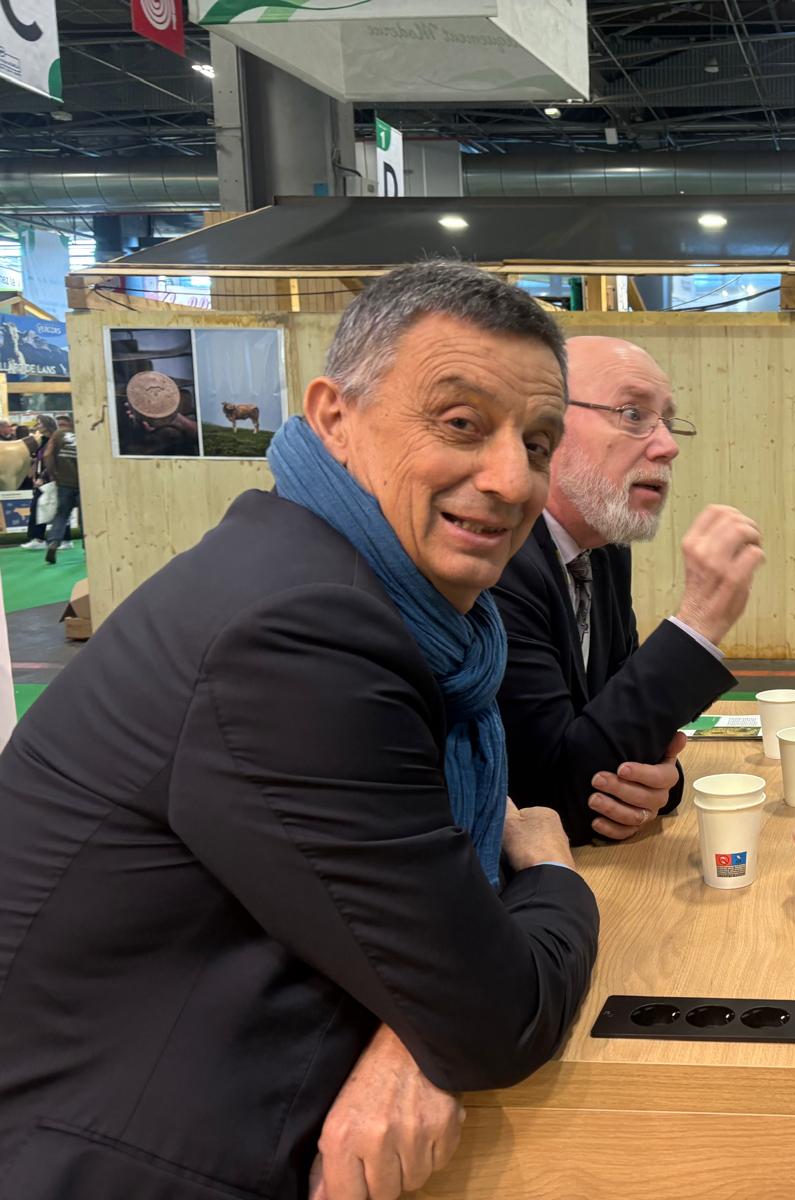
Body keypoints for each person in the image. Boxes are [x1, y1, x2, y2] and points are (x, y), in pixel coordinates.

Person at [0, 261, 600, 1200]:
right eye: (460, 423)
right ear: (333, 418)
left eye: (536, 442)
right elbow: (497, 1017)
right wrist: (555, 877)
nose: (509, 478)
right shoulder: (300, 631)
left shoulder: (343, 588)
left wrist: (412, 1023)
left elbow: (402, 930)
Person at [494, 335, 764, 843]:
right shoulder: (499, 558)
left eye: (667, 421)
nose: (668, 446)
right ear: (545, 429)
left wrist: (657, 781)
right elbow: (552, 801)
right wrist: (698, 622)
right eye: (633, 415)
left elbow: (617, 724)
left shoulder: (604, 549)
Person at [41, 413, 79, 564]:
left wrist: (53, 475)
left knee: (61, 515)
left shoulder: (58, 435)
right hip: (84, 483)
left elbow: (47, 455)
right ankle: (89, 547)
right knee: (87, 517)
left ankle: (54, 542)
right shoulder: (86, 434)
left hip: (64, 483)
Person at [19, 414, 54, 550]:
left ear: (46, 425)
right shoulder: (42, 441)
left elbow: (52, 462)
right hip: (41, 480)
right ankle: (37, 538)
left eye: (39, 423)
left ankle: (39, 539)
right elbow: (39, 459)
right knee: (37, 508)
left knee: (41, 508)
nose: (37, 426)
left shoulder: (54, 440)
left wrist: (42, 477)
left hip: (50, 480)